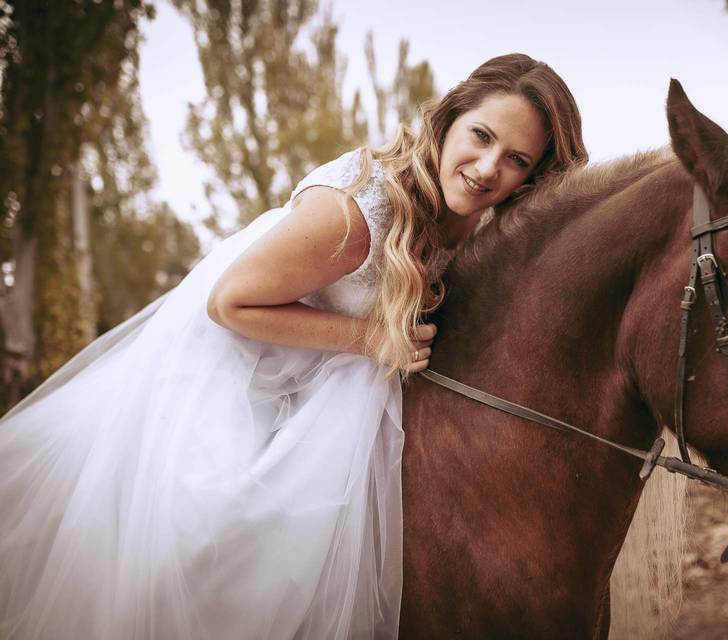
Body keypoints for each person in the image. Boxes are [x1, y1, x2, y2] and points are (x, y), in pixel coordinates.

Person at [0, 53, 587, 640]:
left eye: (516, 160)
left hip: (334, 375)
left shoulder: (483, 221)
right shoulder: (363, 212)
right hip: (245, 375)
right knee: (226, 552)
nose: (486, 169)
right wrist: (372, 337)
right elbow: (230, 302)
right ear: (449, 120)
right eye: (480, 136)